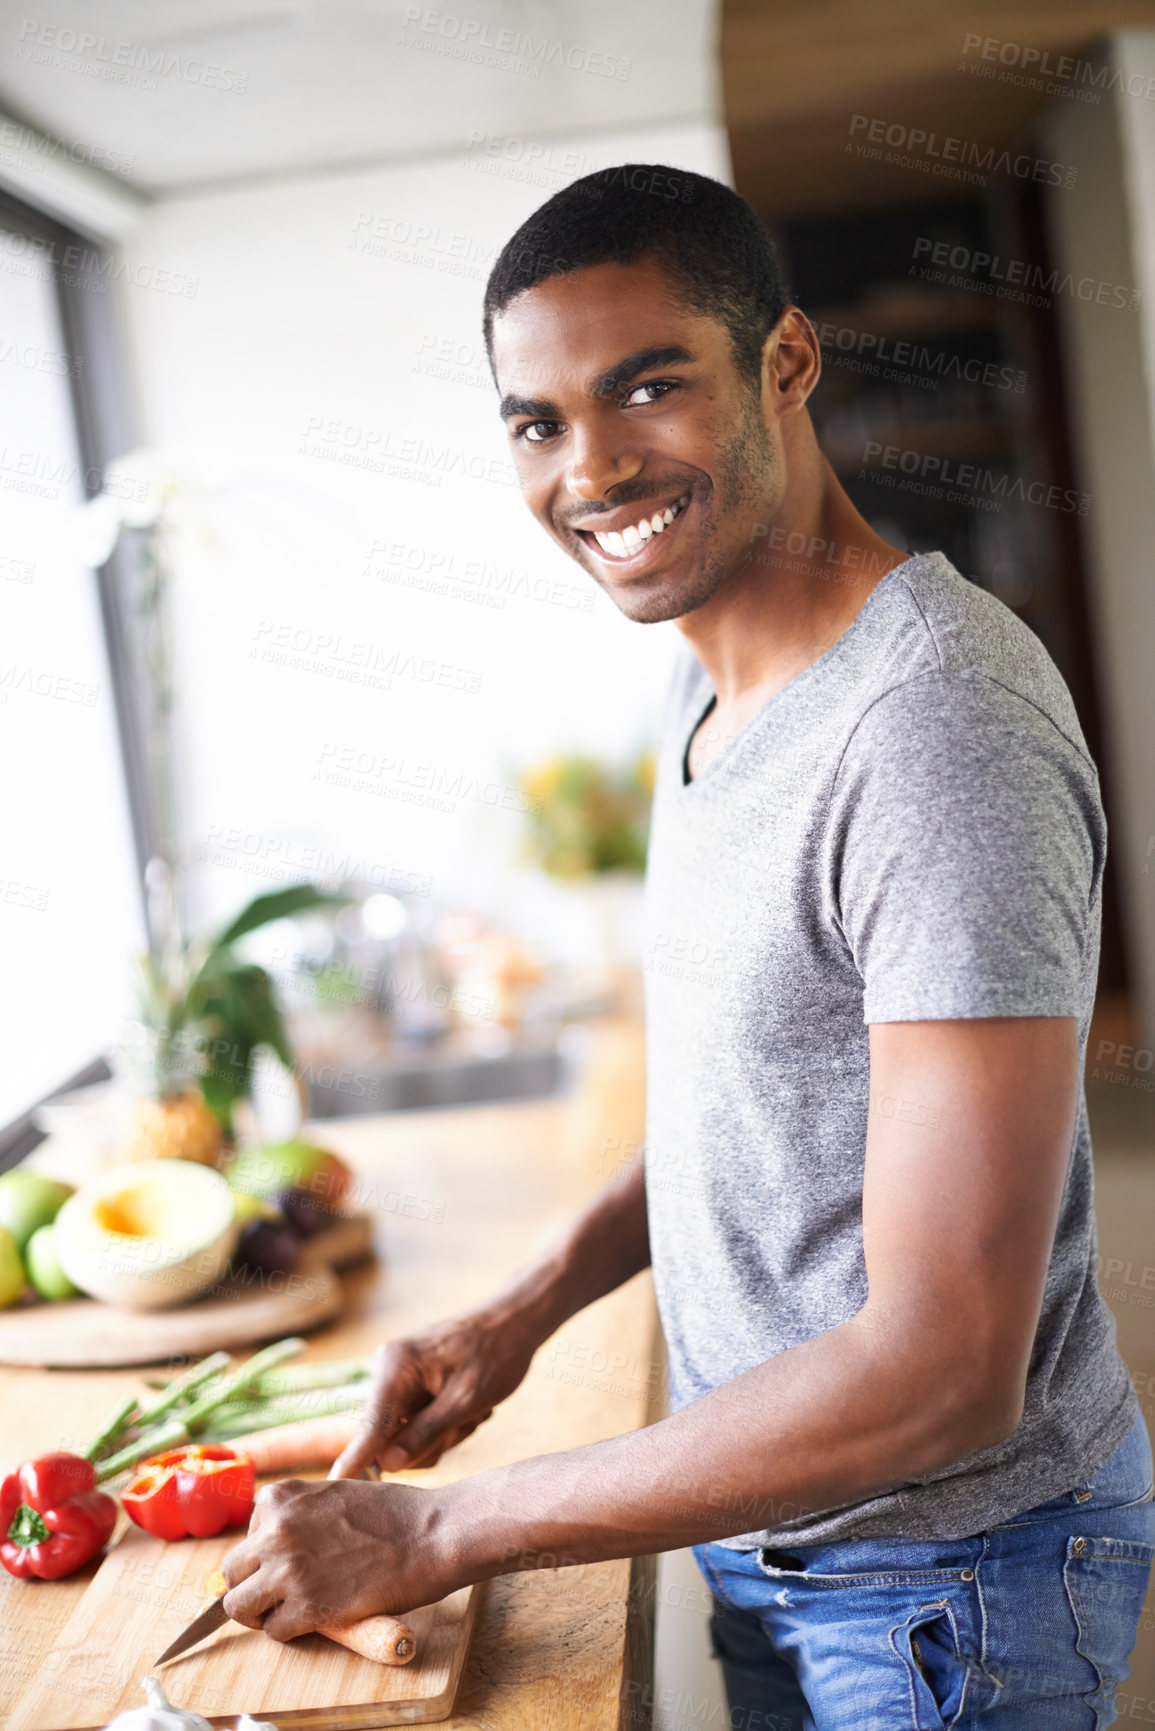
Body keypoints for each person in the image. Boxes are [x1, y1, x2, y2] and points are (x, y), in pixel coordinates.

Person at [223, 166, 1154, 1728]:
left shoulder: (935, 729)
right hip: (763, 1524)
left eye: (648, 386)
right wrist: (521, 1313)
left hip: (947, 1584)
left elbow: (944, 1368)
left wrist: (440, 1529)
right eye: (538, 421)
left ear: (787, 362)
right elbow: (768, 1111)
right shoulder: (707, 690)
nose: (591, 469)